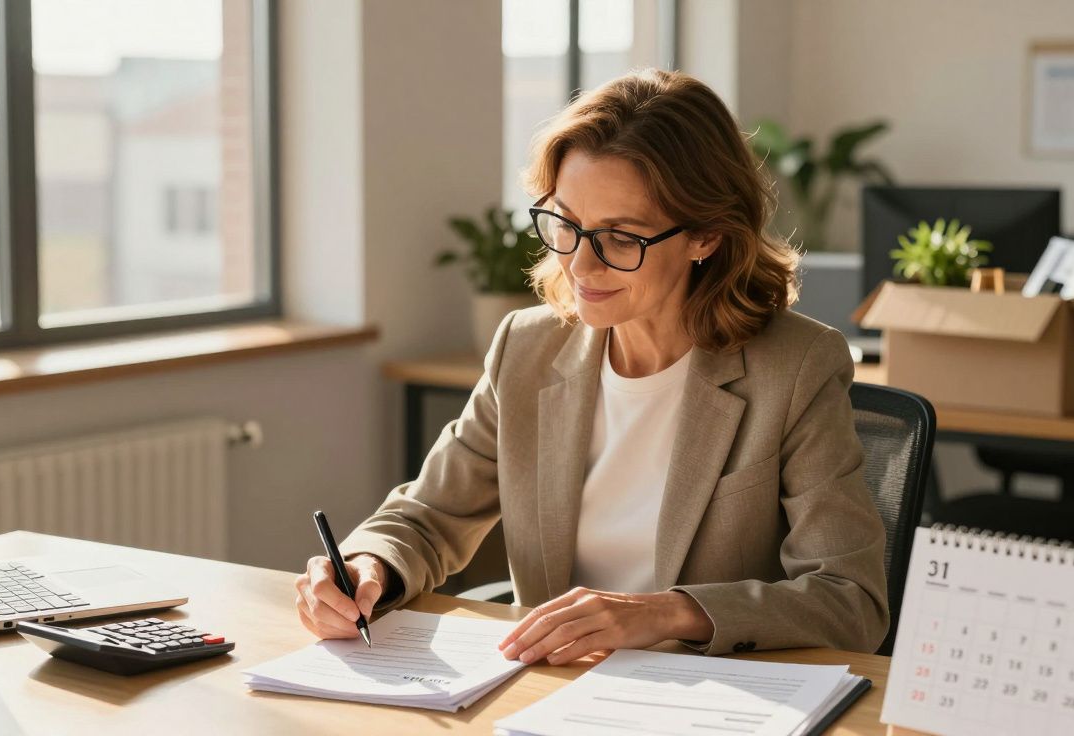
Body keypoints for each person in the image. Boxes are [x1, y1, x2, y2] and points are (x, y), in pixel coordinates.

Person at [294, 69, 888, 663]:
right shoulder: (526, 348)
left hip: (713, 691)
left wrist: (666, 613)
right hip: (548, 688)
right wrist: (368, 566)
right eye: (566, 224)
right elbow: (429, 516)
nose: (580, 266)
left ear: (706, 236)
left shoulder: (796, 367)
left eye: (621, 238)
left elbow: (850, 599)